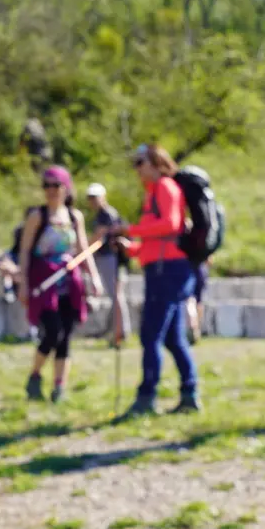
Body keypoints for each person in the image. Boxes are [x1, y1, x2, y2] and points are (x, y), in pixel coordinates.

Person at [110, 143, 199, 419]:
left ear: (156, 163)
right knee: (172, 339)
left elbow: (171, 225)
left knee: (150, 335)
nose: (137, 169)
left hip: (168, 271)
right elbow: (158, 238)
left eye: (140, 163)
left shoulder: (165, 188)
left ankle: (146, 397)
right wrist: (133, 248)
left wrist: (130, 229)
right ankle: (189, 394)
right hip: (162, 267)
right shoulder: (153, 194)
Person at [18, 165, 104, 403]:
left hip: (69, 282)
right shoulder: (38, 217)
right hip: (44, 282)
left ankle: (59, 387)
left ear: (66, 188)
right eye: (46, 185)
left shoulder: (75, 218)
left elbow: (83, 250)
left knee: (65, 335)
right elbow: (25, 251)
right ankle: (35, 376)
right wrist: (23, 282)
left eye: (56, 185)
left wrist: (94, 278)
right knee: (52, 331)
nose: (51, 190)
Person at [85, 183, 131, 346]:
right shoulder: (103, 214)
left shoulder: (106, 214)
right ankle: (116, 330)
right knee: (116, 295)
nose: (92, 200)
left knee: (116, 295)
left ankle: (120, 332)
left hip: (111, 258)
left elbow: (98, 237)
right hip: (109, 258)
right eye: (90, 197)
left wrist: (83, 252)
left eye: (95, 197)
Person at [186, 260, 210, 343]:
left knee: (190, 300)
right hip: (201, 270)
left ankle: (193, 327)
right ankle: (197, 329)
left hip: (189, 270)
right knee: (199, 302)